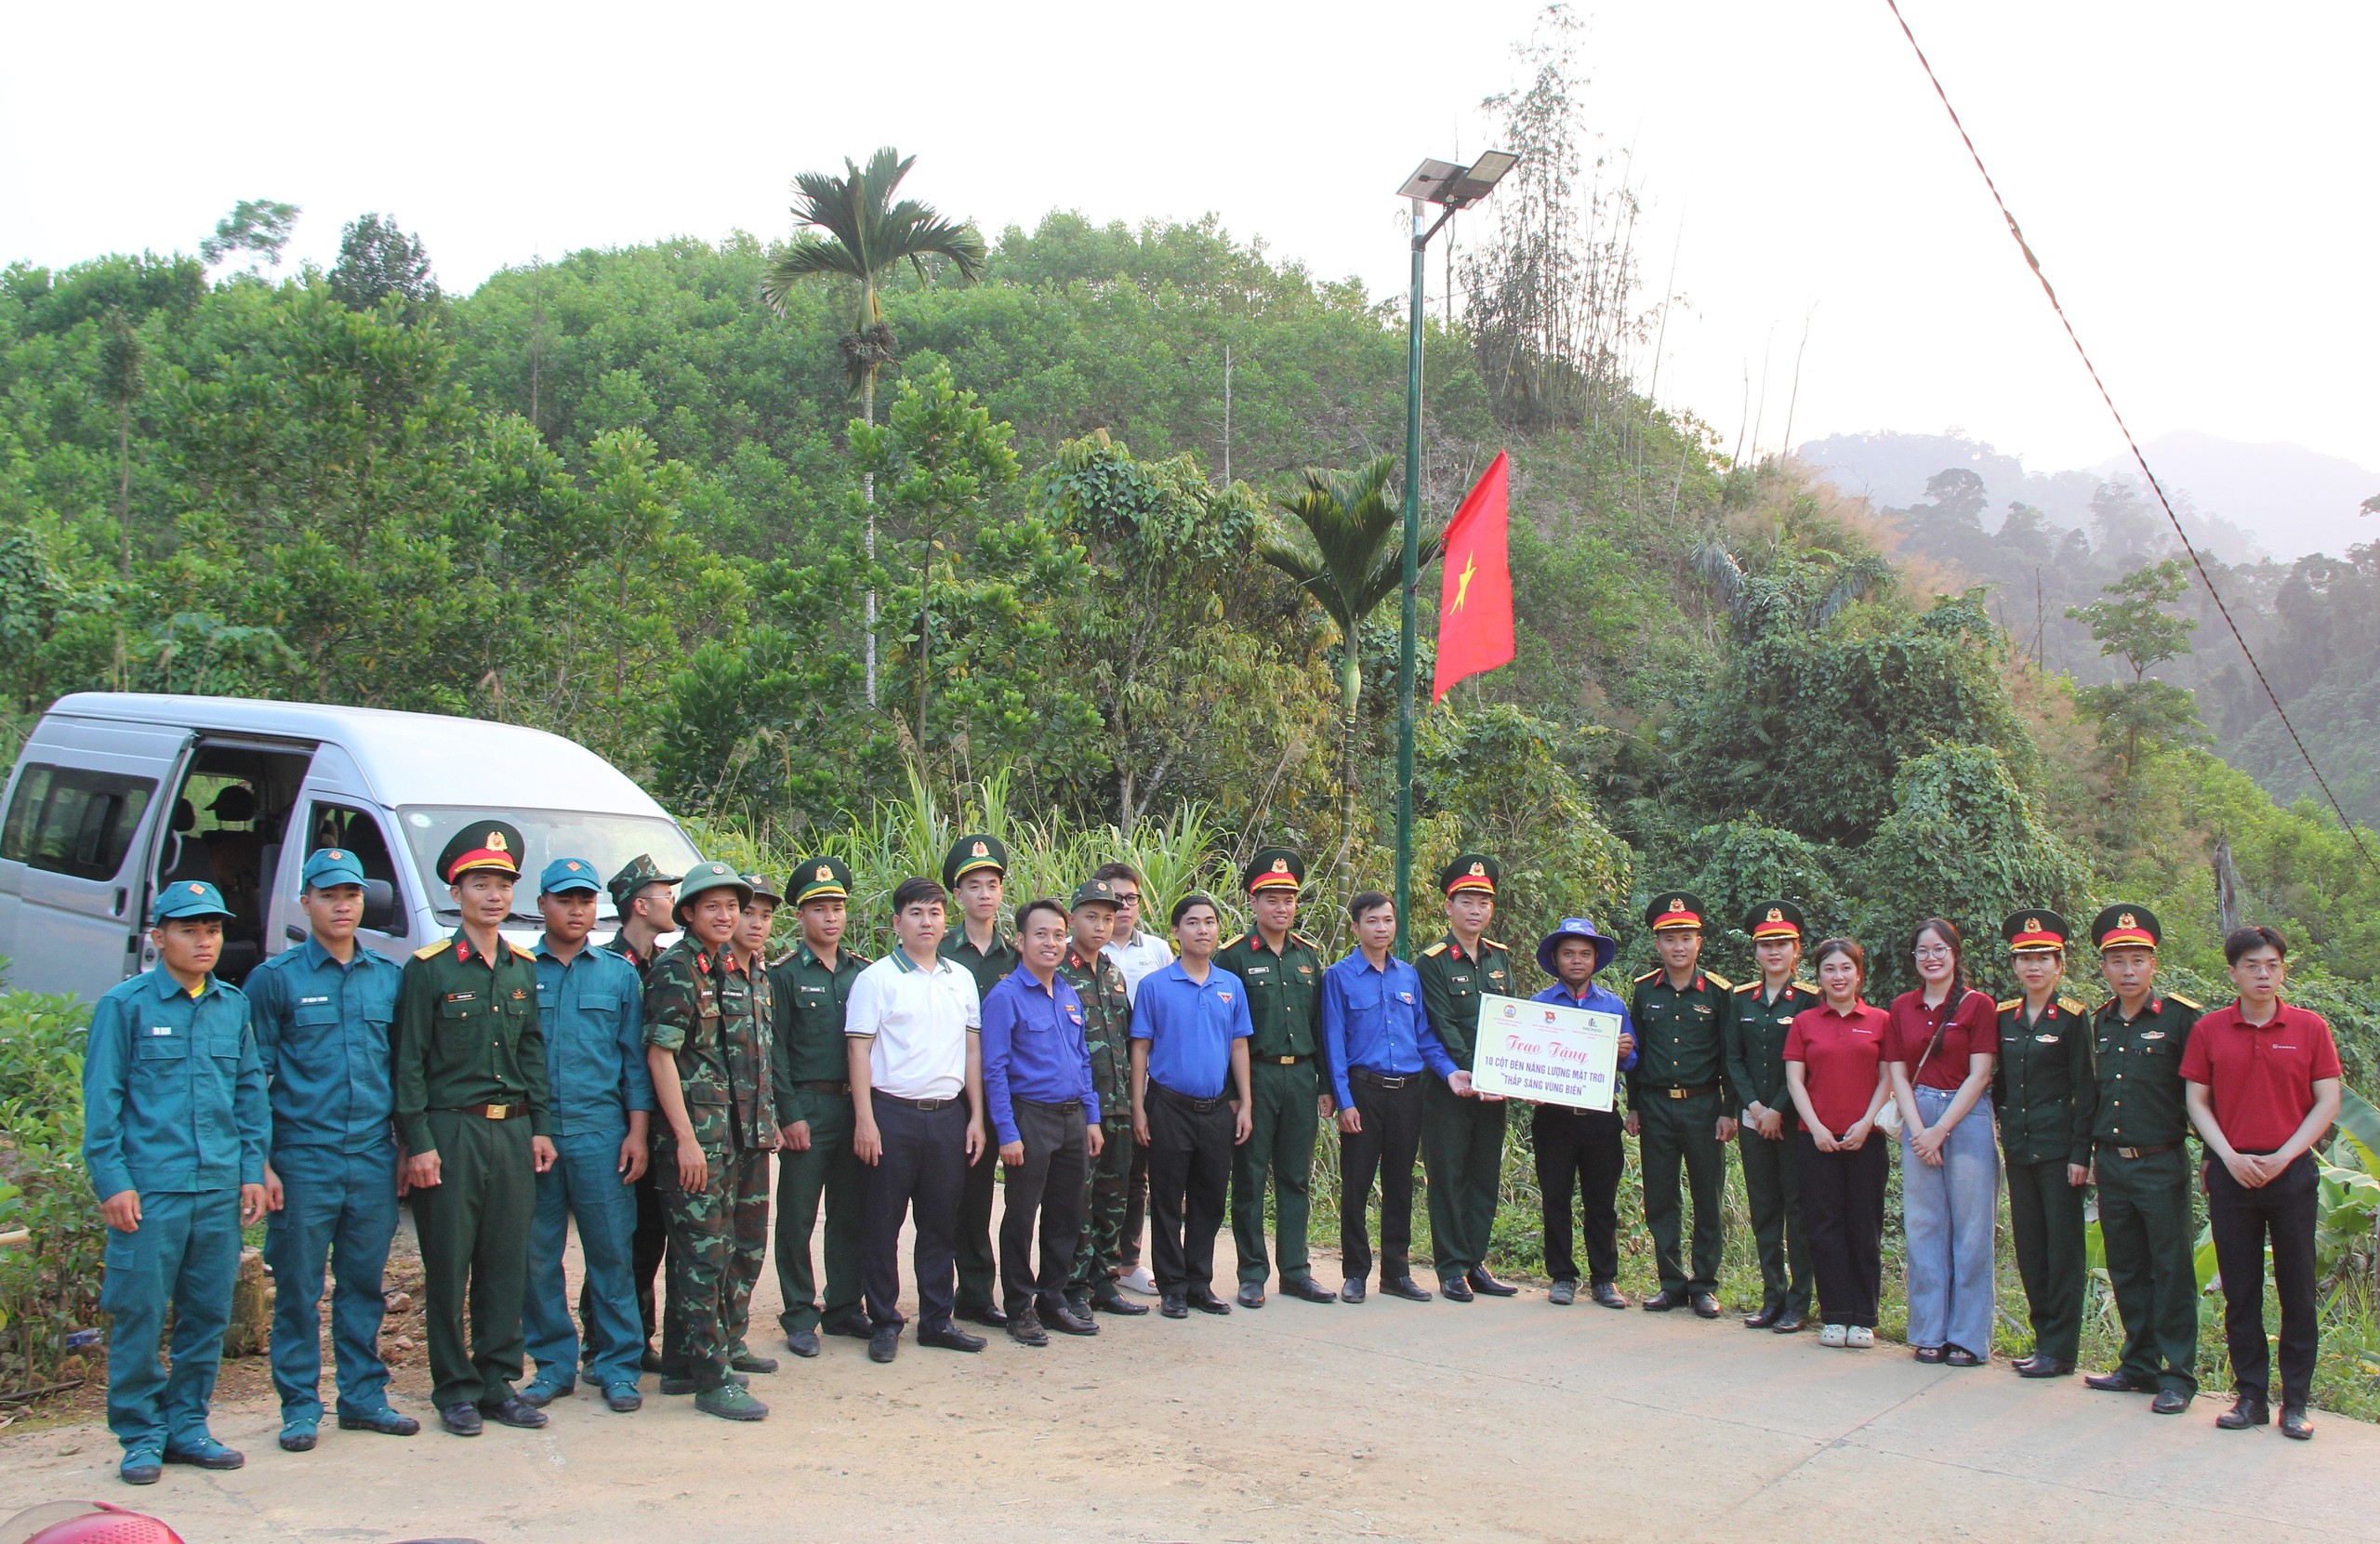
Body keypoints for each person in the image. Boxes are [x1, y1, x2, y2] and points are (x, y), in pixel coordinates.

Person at [83, 880, 270, 1485]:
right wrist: (113, 1181)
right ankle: (140, 1434)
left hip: (216, 1188)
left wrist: (250, 1170)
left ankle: (188, 1425)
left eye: (212, 930)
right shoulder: (125, 1006)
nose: (204, 941)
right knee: (139, 1312)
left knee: (207, 1313)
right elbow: (103, 1102)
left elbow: (249, 1095)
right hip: (150, 1192)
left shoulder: (232, 1006)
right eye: (189, 930)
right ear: (158, 937)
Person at [247, 848, 415, 1453]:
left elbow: (403, 1072)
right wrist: (259, 1161)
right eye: (328, 895)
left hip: (370, 1155)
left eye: (351, 894)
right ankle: (299, 1405)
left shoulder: (388, 977)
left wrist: (405, 1147)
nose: (341, 905)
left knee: (363, 1284)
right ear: (306, 902)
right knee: (297, 1288)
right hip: (303, 1157)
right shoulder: (276, 979)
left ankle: (363, 1397)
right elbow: (252, 1076)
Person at [393, 822, 557, 1437]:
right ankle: (454, 1388)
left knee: (506, 1260)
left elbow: (532, 1050)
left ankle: (497, 1380)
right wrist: (419, 1142)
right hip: (452, 1131)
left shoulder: (521, 967)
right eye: (480, 884)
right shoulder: (430, 969)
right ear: (455, 892)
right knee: (449, 1263)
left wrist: (540, 1125)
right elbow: (408, 1062)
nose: (493, 896)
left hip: (511, 1131)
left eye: (502, 885)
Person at [2184, 925, 2343, 1441]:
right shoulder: (2210, 1030)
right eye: (2252, 966)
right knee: (2241, 1290)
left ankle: (2295, 1402)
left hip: (2291, 1173)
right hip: (2232, 1174)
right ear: (2233, 972)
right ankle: (2250, 1396)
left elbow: (2327, 1101)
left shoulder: (2310, 1028)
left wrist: (2285, 1155)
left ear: (2282, 970)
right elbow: (2196, 1102)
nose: (2263, 974)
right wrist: (2228, 1156)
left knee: (2297, 1289)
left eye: (2272, 965)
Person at [643, 862, 777, 1419]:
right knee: (703, 1257)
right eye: (713, 907)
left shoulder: (728, 965)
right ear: (689, 913)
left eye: (733, 907)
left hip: (737, 1136)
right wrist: (684, 1140)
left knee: (731, 1250)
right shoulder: (678, 968)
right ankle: (712, 1379)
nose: (726, 916)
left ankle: (684, 1362)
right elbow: (661, 1055)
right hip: (697, 1140)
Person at [520, 858, 653, 1415]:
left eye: (585, 900)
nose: (576, 910)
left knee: (612, 1255)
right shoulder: (519, 970)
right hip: (539, 1137)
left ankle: (618, 1366)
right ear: (542, 905)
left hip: (602, 1135)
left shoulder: (617, 974)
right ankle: (552, 1365)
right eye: (565, 900)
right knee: (538, 1258)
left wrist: (637, 1133)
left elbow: (634, 1063)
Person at [847, 877, 989, 1363]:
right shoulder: (876, 979)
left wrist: (976, 1116)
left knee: (940, 1224)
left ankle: (936, 1320)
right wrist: (865, 1120)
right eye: (915, 913)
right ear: (896, 922)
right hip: (892, 1115)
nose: (926, 922)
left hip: (947, 1116)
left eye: (934, 913)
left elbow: (972, 1050)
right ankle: (884, 1321)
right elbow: (859, 1052)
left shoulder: (960, 978)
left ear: (945, 921)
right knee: (882, 1224)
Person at [2082, 904, 2201, 1414]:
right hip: (2112, 1162)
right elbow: (2091, 1094)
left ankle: (2179, 1374)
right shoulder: (2099, 1022)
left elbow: (2201, 1094)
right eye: (2117, 961)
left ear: (2153, 964)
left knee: (2171, 1269)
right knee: (2127, 1266)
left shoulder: (2181, 1018)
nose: (2127, 970)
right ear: (2104, 968)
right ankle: (2138, 1364)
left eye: (2137, 960)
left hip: (2161, 1162)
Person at [1215, 848, 1334, 1308]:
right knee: (1249, 1178)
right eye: (1271, 899)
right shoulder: (1233, 958)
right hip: (1256, 1078)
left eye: (1289, 899)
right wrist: (1233, 1094)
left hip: (1301, 1077)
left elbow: (1319, 1025)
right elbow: (1225, 1032)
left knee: (1295, 1178)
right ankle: (1251, 1274)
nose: (1281, 908)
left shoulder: (1308, 956)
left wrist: (1325, 1086)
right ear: (1253, 902)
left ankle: (1296, 1272)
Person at [982, 897, 1103, 1344]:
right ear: (1020, 941)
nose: (1051, 943)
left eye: (1057, 935)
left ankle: (1052, 1299)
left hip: (1072, 1118)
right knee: (1021, 1216)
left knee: (1066, 1215)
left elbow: (1082, 1059)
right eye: (1040, 934)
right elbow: (993, 1070)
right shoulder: (1005, 997)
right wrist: (1007, 1132)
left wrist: (1091, 1118)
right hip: (1029, 1118)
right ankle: (1019, 1307)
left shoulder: (1068, 994)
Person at [1129, 891, 1255, 1318]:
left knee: (1210, 1197)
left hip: (1217, 1109)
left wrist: (1245, 1103)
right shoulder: (1155, 986)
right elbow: (1141, 1048)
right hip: (1168, 1106)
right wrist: (1139, 1107)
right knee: (1167, 1199)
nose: (1203, 930)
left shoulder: (1230, 985)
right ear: (1176, 931)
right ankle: (1173, 1288)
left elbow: (1238, 1046)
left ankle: (1200, 1283)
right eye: (1193, 922)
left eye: (1210, 922)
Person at [1321, 891, 1448, 1304]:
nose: (1381, 928)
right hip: (1364, 1091)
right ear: (1356, 927)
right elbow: (1333, 1043)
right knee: (1356, 1184)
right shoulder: (1338, 976)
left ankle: (1396, 1273)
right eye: (1372, 921)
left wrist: (1451, 1072)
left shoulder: (1408, 976)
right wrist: (1344, 1101)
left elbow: (1424, 1035)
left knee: (1400, 1184)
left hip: (1408, 1092)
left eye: (1388, 920)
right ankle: (1355, 1273)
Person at [768, 857, 872, 1359]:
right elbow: (776, 1052)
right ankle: (799, 1314)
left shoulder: (863, 973)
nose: (830, 918)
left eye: (837, 908)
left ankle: (845, 1306)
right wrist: (790, 1115)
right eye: (819, 909)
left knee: (850, 1213)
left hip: (856, 1107)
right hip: (808, 1106)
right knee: (797, 1217)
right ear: (800, 916)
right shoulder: (784, 975)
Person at [1887, 917, 2001, 1367]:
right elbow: (1898, 1073)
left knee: (1972, 1230)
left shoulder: (1978, 1006)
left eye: (1939, 949)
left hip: (1966, 1117)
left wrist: (1941, 1129)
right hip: (1918, 1113)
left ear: (1955, 954)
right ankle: (1929, 1332)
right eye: (1923, 951)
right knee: (1924, 1226)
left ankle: (1968, 1338)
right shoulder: (1902, 1007)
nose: (1931, 958)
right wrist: (1920, 1131)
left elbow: (1981, 1074)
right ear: (1913, 957)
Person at [1992, 909, 2094, 1381]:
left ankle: (2061, 1349)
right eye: (2025, 958)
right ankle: (2041, 1340)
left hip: (2059, 1150)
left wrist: (2081, 1154)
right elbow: (2000, 1084)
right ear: (2015, 965)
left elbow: (2086, 1091)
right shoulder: (2004, 1018)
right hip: (2019, 1147)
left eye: (2043, 958)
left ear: (2059, 964)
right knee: (2031, 1247)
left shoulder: (2073, 1018)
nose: (2034, 966)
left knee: (2063, 1250)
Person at [1627, 891, 1736, 1318]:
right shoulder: (1644, 991)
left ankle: (1705, 1284)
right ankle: (1670, 1283)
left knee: (1708, 1197)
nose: (1678, 946)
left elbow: (1731, 1057)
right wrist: (1634, 1106)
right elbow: (1636, 1054)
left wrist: (1729, 1110)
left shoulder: (1720, 993)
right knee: (1661, 1198)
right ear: (1658, 944)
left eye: (1686, 938)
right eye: (1669, 938)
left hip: (1704, 1106)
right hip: (1655, 1106)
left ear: (1699, 942)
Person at [1417, 854, 1520, 1302]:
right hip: (1450, 1089)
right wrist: (1477, 1072)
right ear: (1449, 906)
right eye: (1466, 901)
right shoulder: (1432, 962)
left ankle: (1476, 1262)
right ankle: (1451, 1267)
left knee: (1484, 1176)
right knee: (1448, 1177)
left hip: (1495, 1090)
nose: (1475, 910)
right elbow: (1442, 1023)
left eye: (1483, 902)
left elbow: (1512, 1021)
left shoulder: (1500, 958)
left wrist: (1511, 1073)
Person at [1782, 937, 1893, 1349]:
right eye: (1829, 969)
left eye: (1846, 968)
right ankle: (1834, 1315)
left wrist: (1866, 1123)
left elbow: (1888, 1077)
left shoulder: (1880, 1020)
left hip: (1867, 1140)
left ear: (1859, 974)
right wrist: (1816, 1128)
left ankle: (1863, 1317)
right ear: (1818, 976)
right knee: (1823, 1228)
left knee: (1864, 1227)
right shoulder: (1805, 1023)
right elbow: (1795, 1080)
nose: (1838, 976)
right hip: (1817, 1141)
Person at [1528, 917, 1638, 1309]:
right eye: (1569, 953)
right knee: (1555, 1198)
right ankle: (1561, 1276)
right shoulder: (1539, 1006)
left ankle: (1604, 1279)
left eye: (1585, 954)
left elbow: (1632, 1060)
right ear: (1556, 959)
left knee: (1601, 1201)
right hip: (1554, 1118)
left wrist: (1625, 1051)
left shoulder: (1612, 1006)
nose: (1577, 961)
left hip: (1600, 1115)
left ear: (1595, 960)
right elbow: (1525, 1058)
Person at [601, 852, 680, 1371]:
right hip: (620, 1120)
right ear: (640, 905)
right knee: (615, 1239)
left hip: (660, 1123)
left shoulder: (665, 965)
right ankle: (603, 1342)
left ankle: (640, 1338)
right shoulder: (608, 966)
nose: (673, 903)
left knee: (651, 1235)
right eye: (665, 895)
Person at [1725, 902, 1820, 1333]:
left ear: (1797, 950)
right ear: (1756, 952)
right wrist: (1755, 1108)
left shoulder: (1809, 999)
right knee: (1764, 1210)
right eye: (1766, 945)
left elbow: (1806, 1061)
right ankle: (1772, 1297)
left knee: (1798, 1211)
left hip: (1795, 1120)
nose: (1774, 951)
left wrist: (1777, 1109)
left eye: (1783, 943)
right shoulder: (1739, 998)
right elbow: (1733, 1058)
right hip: (1753, 1119)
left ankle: (1799, 1302)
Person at [939, 833, 1020, 1329]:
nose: (984, 894)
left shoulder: (1015, 955)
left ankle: (980, 1293)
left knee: (989, 1197)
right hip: (951, 1091)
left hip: (1005, 1091)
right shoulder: (940, 950)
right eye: (973, 886)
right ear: (957, 895)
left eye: (992, 884)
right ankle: (942, 1293)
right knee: (954, 1194)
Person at [1058, 878, 1148, 1319]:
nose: (1100, 926)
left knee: (1115, 1197)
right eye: (1091, 917)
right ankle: (1072, 1286)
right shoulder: (1058, 970)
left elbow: (1126, 1040)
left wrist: (1133, 1103)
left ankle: (1105, 1282)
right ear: (1072, 919)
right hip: (1079, 1108)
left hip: (1118, 1105)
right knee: (1078, 1199)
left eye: (1108, 918)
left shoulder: (1112, 972)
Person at [1097, 860, 1173, 1295]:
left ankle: (1128, 1262)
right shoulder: (1077, 946)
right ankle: (1083, 1264)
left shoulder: (1158, 951)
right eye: (1115, 899)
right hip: (1095, 1084)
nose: (1123, 907)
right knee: (1090, 1176)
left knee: (1135, 1175)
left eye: (1131, 898)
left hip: (1144, 1083)